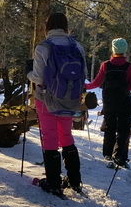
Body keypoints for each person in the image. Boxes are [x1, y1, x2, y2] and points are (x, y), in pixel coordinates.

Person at [26, 12, 87, 197]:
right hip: (70, 98)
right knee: (66, 135)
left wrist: (28, 72)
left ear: (48, 27)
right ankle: (75, 180)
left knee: (50, 136)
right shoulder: (76, 45)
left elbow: (37, 77)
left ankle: (53, 182)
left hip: (47, 98)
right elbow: (83, 73)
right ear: (65, 26)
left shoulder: (44, 47)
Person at [84, 38, 131, 168]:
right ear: (125, 50)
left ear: (113, 50)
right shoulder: (129, 67)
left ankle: (107, 155)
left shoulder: (105, 65)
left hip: (109, 101)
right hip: (124, 100)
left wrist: (84, 86)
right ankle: (120, 156)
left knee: (109, 128)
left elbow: (96, 83)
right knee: (124, 130)